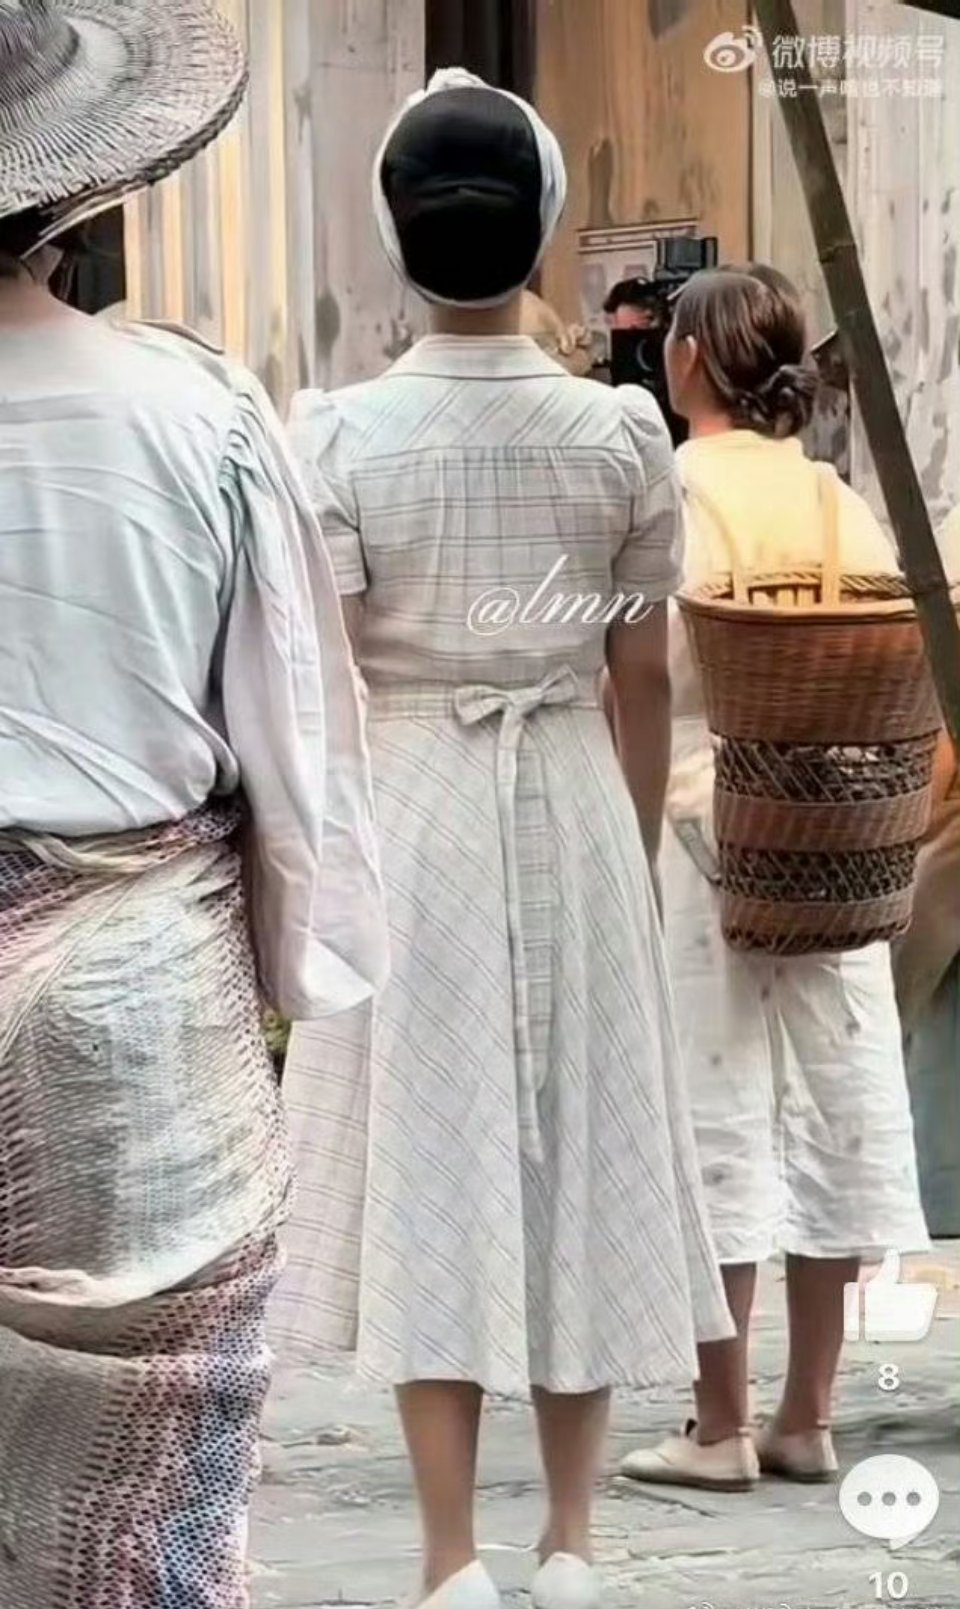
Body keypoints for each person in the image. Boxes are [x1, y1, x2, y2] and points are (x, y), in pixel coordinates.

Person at [270, 68, 731, 1609]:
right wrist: (630, 846)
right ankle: (575, 1540)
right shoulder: (619, 432)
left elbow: (329, 680)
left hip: (412, 805)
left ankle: (449, 1553)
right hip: (577, 795)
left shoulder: (338, 435)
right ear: (542, 230)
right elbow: (640, 672)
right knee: (579, 1152)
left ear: (395, 235)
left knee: (434, 1160)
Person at [0, 4, 388, 1605]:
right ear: (76, 191)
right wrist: (295, 968)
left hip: (116, 974)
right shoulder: (201, 413)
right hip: (135, 1010)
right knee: (152, 1485)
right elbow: (294, 740)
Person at [620, 265, 930, 1494]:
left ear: (689, 359)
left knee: (718, 1112)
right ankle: (810, 1412)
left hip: (709, 828)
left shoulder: (674, 491)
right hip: (842, 838)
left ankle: (719, 1422)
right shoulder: (834, 496)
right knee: (832, 1108)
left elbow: (642, 674)